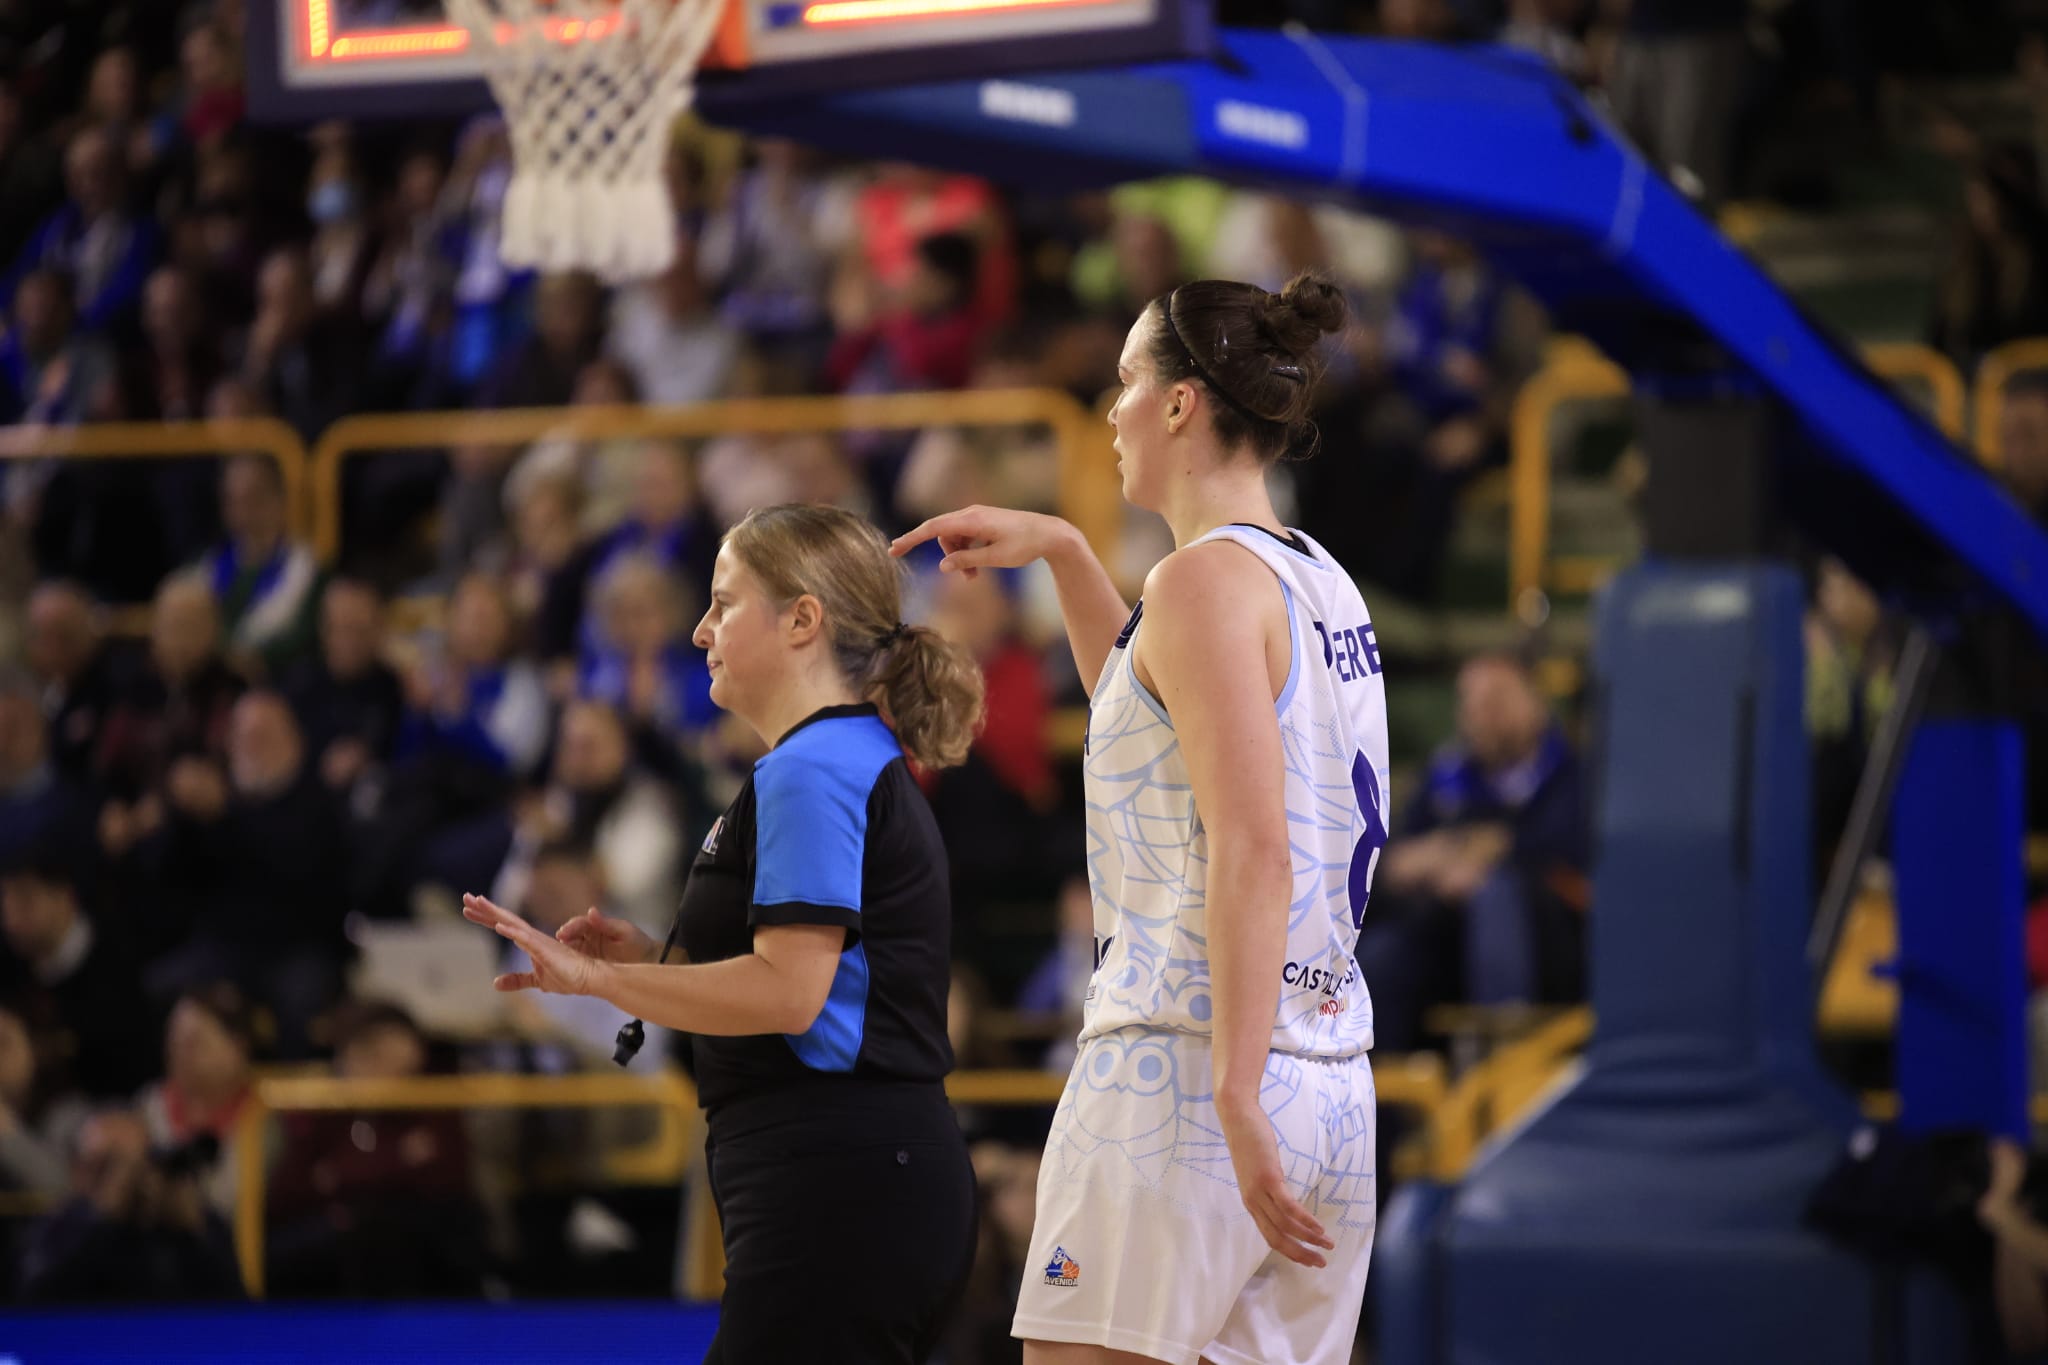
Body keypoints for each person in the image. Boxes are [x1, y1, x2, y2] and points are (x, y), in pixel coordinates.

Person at [894, 271, 1383, 1365]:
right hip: (1330, 1080)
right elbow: (1154, 725)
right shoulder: (1317, 582)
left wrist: (1230, 1088)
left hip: (1190, 1068)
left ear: (1177, 403)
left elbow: (1252, 849)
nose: (1108, 409)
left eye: (1123, 381)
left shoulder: (1199, 584)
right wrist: (1069, 554)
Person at [461, 502, 985, 1364]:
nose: (699, 630)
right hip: (865, 1181)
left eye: (723, 602)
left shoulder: (812, 769)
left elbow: (787, 992)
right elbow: (825, 984)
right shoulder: (838, 759)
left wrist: (599, 982)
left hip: (839, 1187)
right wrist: (657, 962)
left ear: (802, 621)